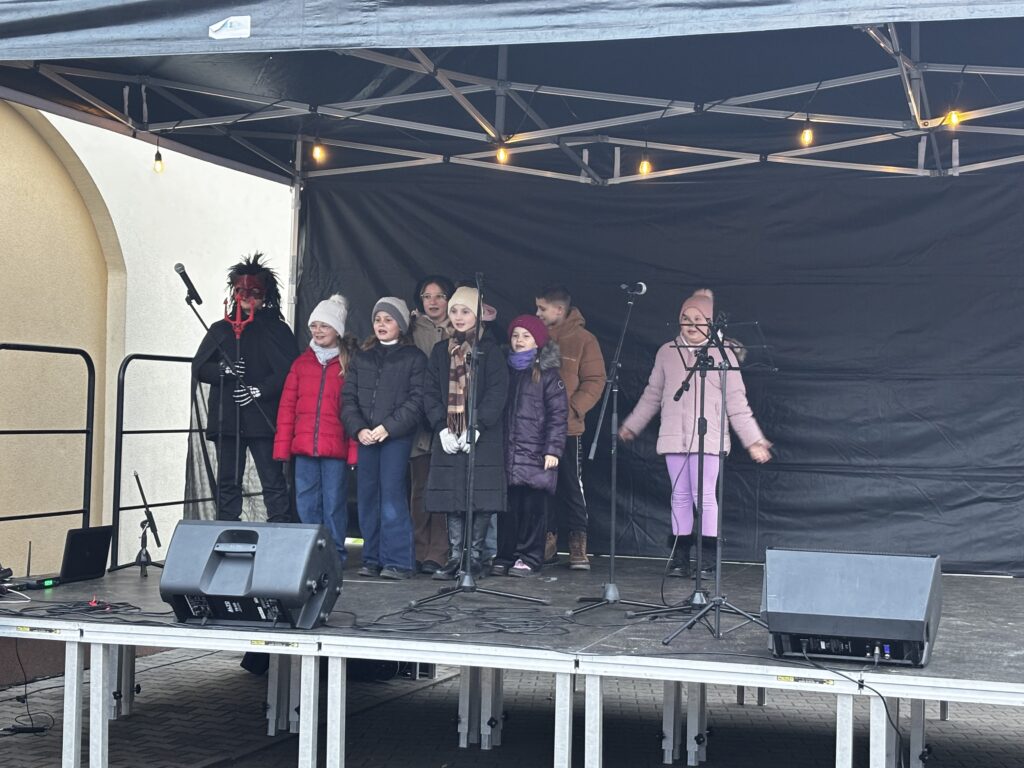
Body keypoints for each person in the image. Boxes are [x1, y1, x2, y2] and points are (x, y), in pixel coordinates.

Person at [618, 289, 772, 577]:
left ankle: (708, 558)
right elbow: (653, 394)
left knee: (704, 496)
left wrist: (753, 440)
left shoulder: (723, 355)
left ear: (710, 322)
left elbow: (736, 402)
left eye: (698, 319)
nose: (690, 324)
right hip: (674, 437)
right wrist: (633, 424)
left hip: (708, 438)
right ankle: (680, 557)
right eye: (685, 318)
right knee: (679, 495)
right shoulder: (667, 352)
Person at [192, 253, 297, 522]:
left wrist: (259, 390)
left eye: (254, 293)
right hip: (228, 420)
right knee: (228, 481)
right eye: (241, 292)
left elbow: (288, 371)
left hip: (263, 419)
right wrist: (223, 370)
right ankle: (227, 527)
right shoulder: (220, 330)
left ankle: (279, 528)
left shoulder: (277, 330)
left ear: (264, 295)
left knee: (272, 480)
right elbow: (200, 367)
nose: (247, 298)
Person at [424, 286, 509, 580]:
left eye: (465, 311)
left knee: (480, 497)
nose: (459, 317)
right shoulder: (440, 351)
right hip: (450, 433)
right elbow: (429, 392)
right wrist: (441, 427)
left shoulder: (491, 351)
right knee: (452, 497)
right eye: (455, 311)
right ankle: (455, 557)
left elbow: (498, 392)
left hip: (481, 436)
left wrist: (477, 426)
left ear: (478, 315)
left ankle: (474, 557)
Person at [342, 297, 426, 580]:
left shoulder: (414, 358)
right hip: (366, 438)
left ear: (400, 325)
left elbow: (417, 401)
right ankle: (371, 558)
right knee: (367, 497)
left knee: (392, 496)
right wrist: (359, 429)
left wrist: (389, 427)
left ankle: (398, 561)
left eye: (388, 320)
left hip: (395, 439)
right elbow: (348, 399)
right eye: (378, 319)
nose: (382, 324)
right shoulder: (362, 357)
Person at [273, 294, 358, 566]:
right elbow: (287, 408)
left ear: (338, 330)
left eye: (325, 326)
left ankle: (335, 555)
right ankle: (310, 554)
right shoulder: (301, 364)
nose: (318, 331)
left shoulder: (349, 365)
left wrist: (354, 451)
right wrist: (282, 448)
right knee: (306, 502)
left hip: (335, 449)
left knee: (334, 503)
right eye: (314, 326)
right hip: (304, 448)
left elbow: (356, 412)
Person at [535, 284, 605, 569]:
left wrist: (573, 408)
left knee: (571, 486)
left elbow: (595, 380)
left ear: (559, 310)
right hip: (537, 428)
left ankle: (578, 543)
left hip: (568, 429)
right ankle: (547, 540)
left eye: (542, 308)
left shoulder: (584, 339)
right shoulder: (535, 335)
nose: (537, 313)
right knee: (541, 486)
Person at [493, 315, 568, 577]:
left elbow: (558, 416)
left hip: (536, 454)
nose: (520, 340)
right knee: (507, 510)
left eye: (526, 336)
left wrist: (553, 450)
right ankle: (505, 555)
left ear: (538, 341)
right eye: (515, 335)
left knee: (533, 510)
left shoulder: (549, 375)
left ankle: (529, 557)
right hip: (507, 453)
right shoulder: (503, 370)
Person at [409, 275, 455, 574]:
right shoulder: (411, 329)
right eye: (427, 296)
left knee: (443, 487)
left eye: (440, 296)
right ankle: (417, 549)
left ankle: (438, 552)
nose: (433, 302)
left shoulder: (461, 328)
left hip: (450, 419)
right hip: (418, 420)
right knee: (419, 488)